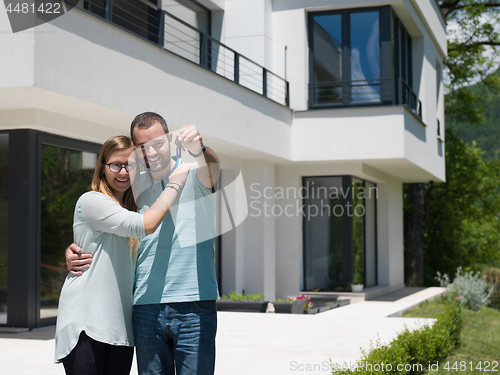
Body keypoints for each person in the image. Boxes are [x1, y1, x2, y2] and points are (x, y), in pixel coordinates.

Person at [66, 112, 220, 375]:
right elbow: (106, 224)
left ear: (170, 141)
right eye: (142, 147)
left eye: (158, 143)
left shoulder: (193, 172)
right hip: (145, 304)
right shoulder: (132, 186)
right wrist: (74, 248)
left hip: (195, 302)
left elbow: (213, 168)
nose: (152, 151)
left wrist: (200, 148)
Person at [56, 135, 191, 375]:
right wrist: (175, 183)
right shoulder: (91, 201)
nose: (123, 172)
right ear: (102, 167)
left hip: (120, 330)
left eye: (130, 165)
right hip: (87, 325)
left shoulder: (132, 209)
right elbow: (145, 225)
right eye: (115, 164)